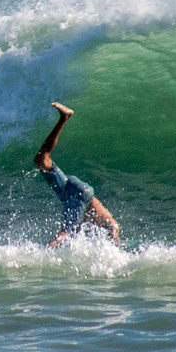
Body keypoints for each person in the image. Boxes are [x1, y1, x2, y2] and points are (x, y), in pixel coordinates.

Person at [34, 102, 120, 248]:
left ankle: (63, 118)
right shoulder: (109, 225)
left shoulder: (92, 216)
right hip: (79, 193)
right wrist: (117, 246)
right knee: (64, 234)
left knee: (41, 159)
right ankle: (41, 256)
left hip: (72, 187)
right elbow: (114, 228)